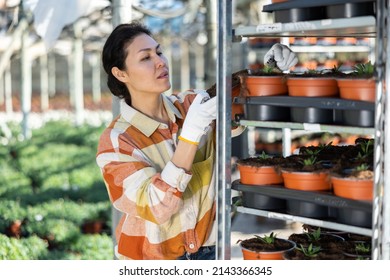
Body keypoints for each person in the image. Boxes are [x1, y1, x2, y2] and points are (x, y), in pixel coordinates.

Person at [96, 21, 297, 260]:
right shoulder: (117, 141)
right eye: (145, 58)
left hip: (211, 252)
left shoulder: (191, 105)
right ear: (121, 73)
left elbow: (237, 101)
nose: (161, 61)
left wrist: (268, 72)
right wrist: (190, 135)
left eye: (159, 51)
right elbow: (155, 206)